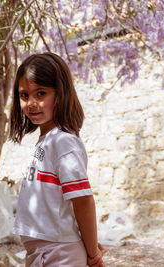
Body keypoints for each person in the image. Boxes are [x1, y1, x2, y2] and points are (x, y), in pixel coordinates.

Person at [9, 52, 106, 267]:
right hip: (44, 251)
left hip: (59, 254)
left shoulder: (63, 142)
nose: (31, 103)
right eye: (24, 95)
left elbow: (82, 199)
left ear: (60, 93)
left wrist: (93, 253)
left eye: (41, 93)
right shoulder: (47, 140)